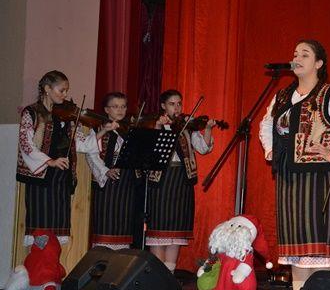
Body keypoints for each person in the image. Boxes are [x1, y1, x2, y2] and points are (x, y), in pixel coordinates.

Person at [259, 39, 330, 290]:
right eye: (295, 54)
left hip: (317, 179)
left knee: (315, 246)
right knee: (296, 247)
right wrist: (271, 151)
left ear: (319, 63)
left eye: (304, 54)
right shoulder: (283, 95)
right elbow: (266, 124)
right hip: (287, 177)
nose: (297, 58)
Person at [146, 89, 217, 272]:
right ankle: (159, 275)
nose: (177, 108)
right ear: (163, 106)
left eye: (179, 103)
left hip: (182, 180)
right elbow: (148, 152)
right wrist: (158, 127)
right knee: (159, 229)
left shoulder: (186, 125)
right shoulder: (155, 124)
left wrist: (208, 129)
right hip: (161, 181)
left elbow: (203, 148)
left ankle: (169, 274)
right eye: (172, 104)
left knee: (176, 232)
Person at [16, 71, 78, 250]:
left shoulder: (64, 114)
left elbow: (79, 142)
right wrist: (49, 161)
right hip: (41, 178)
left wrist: (102, 131)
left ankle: (50, 268)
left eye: (66, 91)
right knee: (41, 231)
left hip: (61, 179)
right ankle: (39, 267)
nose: (65, 94)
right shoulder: (32, 112)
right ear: (47, 89)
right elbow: (26, 143)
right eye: (61, 90)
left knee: (57, 233)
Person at [83, 92, 141, 249]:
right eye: (115, 106)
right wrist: (105, 170)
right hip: (107, 183)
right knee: (105, 224)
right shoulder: (99, 128)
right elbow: (91, 154)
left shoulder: (130, 130)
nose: (120, 110)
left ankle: (121, 260)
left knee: (124, 225)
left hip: (127, 183)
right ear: (106, 109)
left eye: (123, 106)